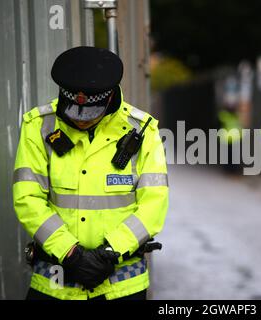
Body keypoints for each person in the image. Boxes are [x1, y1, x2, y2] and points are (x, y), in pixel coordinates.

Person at [13, 46, 169, 300]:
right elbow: (27, 198)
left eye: (90, 113)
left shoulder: (143, 131)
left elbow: (154, 204)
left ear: (109, 98)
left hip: (123, 287)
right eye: (74, 111)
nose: (81, 120)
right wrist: (70, 253)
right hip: (54, 284)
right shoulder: (39, 127)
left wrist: (110, 251)